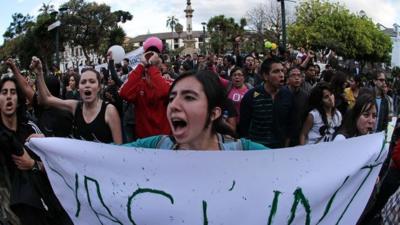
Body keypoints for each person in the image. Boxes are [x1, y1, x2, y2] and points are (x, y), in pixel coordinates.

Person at [124, 70, 267, 150]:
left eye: (189, 97)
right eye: (172, 98)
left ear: (213, 113)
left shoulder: (244, 151)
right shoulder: (156, 146)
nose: (173, 105)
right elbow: (109, 155)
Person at [0, 76, 72, 225]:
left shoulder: (31, 129)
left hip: (43, 206)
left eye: (13, 92)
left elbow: (55, 167)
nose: (8, 96)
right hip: (12, 213)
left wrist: (33, 164)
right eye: (4, 92)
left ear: (19, 99)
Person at [32, 56, 122, 144]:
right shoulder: (75, 106)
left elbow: (119, 151)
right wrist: (39, 73)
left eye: (92, 81)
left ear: (99, 87)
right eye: (83, 82)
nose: (87, 85)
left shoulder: (109, 111)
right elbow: (46, 99)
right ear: (79, 88)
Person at [119, 36, 171, 138]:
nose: (151, 58)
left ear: (162, 64)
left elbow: (164, 92)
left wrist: (152, 67)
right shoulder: (139, 85)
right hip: (144, 142)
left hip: (164, 140)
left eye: (156, 57)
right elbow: (124, 93)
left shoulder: (169, 82)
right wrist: (141, 65)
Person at [239, 57, 294, 148]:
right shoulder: (251, 96)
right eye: (276, 71)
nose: (281, 75)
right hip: (256, 148)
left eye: (282, 71)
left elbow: (290, 125)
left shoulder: (287, 95)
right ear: (265, 76)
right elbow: (244, 127)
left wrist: (286, 147)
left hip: (280, 149)